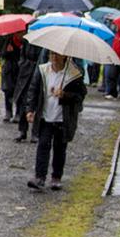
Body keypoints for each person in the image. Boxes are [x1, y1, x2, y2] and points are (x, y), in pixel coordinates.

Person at [24, 50, 86, 191]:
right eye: (51, 54)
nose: (54, 57)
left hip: (63, 119)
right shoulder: (42, 70)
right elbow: (33, 90)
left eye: (57, 54)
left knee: (60, 148)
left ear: (64, 56)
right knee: (43, 145)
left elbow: (80, 97)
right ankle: (39, 177)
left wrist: (65, 95)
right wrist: (30, 109)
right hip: (45, 116)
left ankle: (56, 177)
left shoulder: (74, 73)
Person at [11, 38, 43, 142]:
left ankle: (35, 132)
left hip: (39, 72)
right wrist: (23, 64)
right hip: (25, 72)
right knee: (23, 102)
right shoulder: (26, 40)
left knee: (39, 102)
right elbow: (22, 55)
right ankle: (22, 130)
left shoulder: (44, 42)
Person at [0, 34, 22, 122]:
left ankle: (18, 113)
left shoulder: (25, 42)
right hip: (9, 70)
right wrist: (7, 51)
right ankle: (8, 112)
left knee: (20, 92)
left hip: (20, 70)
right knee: (8, 91)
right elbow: (2, 55)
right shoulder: (9, 40)